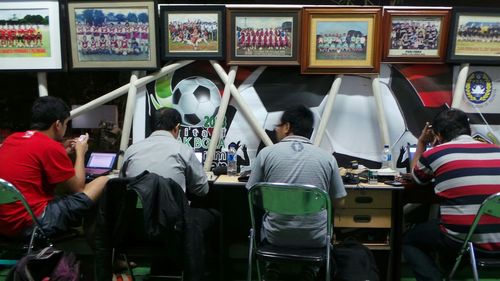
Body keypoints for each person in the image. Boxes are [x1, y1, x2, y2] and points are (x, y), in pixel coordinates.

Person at [246, 105, 347, 281]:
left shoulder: (265, 154)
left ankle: (272, 266)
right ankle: (311, 268)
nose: (276, 129)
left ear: (287, 127)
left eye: (278, 125)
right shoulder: (328, 158)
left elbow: (252, 194)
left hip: (275, 237)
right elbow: (339, 203)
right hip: (315, 238)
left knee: (268, 218)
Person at [404, 108, 500, 281]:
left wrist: (421, 145)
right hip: (497, 235)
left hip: (463, 238)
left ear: (438, 134)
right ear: (468, 129)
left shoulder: (434, 154)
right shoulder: (497, 151)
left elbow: (417, 178)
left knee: (409, 239)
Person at [121, 107, 218, 278]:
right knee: (213, 216)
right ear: (177, 128)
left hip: (135, 227)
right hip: (173, 229)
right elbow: (202, 190)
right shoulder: (183, 150)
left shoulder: (131, 151)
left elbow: (123, 187)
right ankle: (200, 270)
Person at [0, 96, 109, 239]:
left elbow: (34, 159)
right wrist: (80, 152)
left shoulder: (13, 139)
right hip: (33, 224)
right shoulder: (49, 146)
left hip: (5, 223)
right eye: (65, 124)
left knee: (62, 191)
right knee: (103, 180)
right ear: (57, 124)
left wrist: (62, 151)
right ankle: (98, 244)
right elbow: (78, 188)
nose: (65, 128)